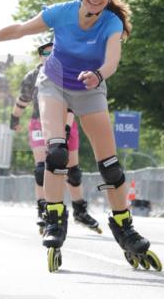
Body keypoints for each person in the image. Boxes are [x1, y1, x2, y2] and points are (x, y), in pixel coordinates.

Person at [0, 0, 162, 274]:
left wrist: (98, 75)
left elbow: (112, 60)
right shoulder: (61, 13)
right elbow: (21, 29)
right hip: (53, 83)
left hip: (90, 87)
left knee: (109, 165)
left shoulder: (111, 23)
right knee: (56, 153)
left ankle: (124, 226)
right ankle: (54, 218)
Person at [9, 41, 101, 235]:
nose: (49, 55)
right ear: (40, 56)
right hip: (39, 123)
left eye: (53, 52)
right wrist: (14, 117)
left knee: (73, 171)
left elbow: (71, 105)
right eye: (45, 52)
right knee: (42, 168)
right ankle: (44, 209)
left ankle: (79, 210)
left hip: (67, 120)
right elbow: (23, 100)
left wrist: (66, 127)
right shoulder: (32, 76)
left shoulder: (66, 73)